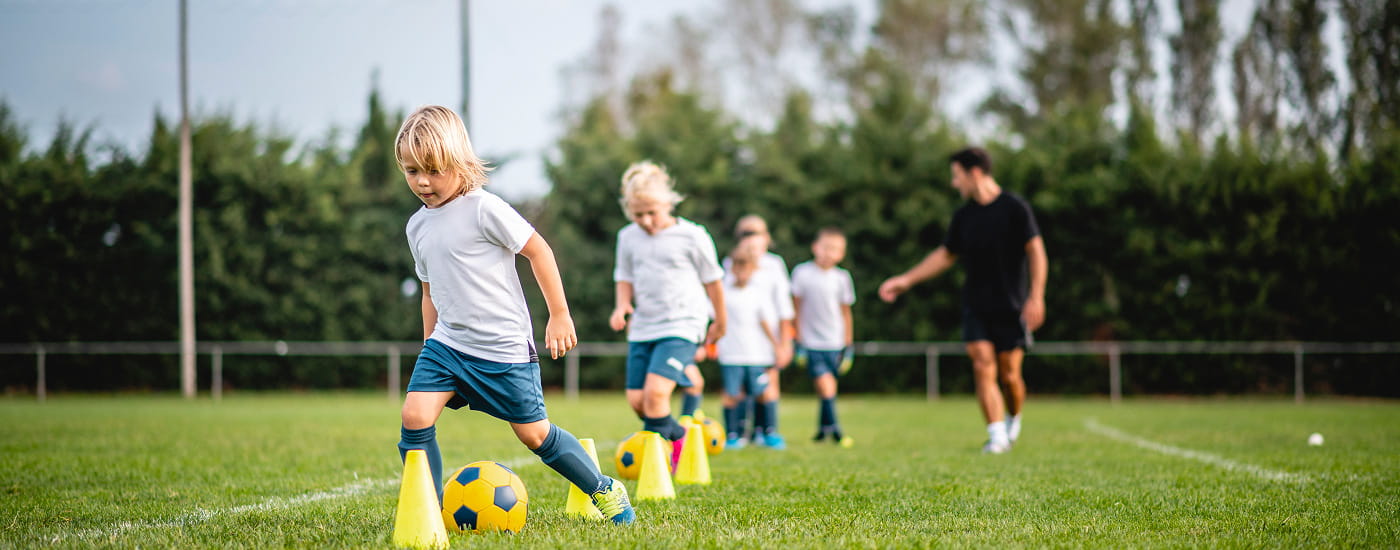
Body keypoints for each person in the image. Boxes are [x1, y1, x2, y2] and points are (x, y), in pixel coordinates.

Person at [394, 105, 635, 525]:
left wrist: (559, 315)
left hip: (502, 348)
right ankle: (429, 508)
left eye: (432, 169)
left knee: (534, 435)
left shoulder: (485, 208)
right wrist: (429, 343)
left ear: (458, 161)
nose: (423, 182)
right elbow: (429, 290)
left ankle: (603, 488)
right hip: (447, 346)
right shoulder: (417, 226)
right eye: (412, 171)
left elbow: (538, 250)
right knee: (414, 416)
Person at [877, 146, 1047, 455]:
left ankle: (1013, 417)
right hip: (976, 304)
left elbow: (1036, 251)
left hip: (1012, 305)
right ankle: (996, 436)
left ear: (975, 173)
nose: (955, 183)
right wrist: (906, 280)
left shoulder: (1015, 208)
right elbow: (945, 255)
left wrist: (1036, 296)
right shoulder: (964, 216)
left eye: (957, 176)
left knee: (1010, 374)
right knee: (982, 365)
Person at [609, 161, 726, 468]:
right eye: (638, 214)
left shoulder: (693, 235)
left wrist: (721, 321)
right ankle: (681, 440)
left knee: (656, 395)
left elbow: (713, 281)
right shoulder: (627, 237)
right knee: (638, 401)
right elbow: (624, 276)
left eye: (652, 212)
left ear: (668, 203)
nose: (646, 221)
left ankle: (664, 462)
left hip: (683, 324)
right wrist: (622, 306)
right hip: (644, 326)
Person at [726, 215, 794, 449]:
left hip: (767, 340)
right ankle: (740, 433)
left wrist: (785, 343)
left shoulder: (774, 265)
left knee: (767, 387)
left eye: (755, 232)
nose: (750, 238)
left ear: (766, 237)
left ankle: (768, 432)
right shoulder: (730, 264)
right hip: (736, 342)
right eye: (745, 233)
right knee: (739, 390)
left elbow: (784, 309)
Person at [790, 227, 856, 447]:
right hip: (811, 341)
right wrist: (797, 338)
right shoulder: (802, 273)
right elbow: (795, 307)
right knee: (826, 386)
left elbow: (846, 312)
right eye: (826, 247)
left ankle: (822, 430)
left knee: (825, 389)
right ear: (815, 247)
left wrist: (848, 343)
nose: (830, 253)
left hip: (835, 342)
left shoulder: (842, 278)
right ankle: (836, 430)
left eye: (836, 249)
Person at [715, 237, 782, 449]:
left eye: (746, 267)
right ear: (732, 268)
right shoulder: (723, 292)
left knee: (764, 391)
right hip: (732, 354)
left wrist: (777, 345)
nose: (742, 271)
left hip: (757, 354)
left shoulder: (758, 294)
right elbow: (716, 320)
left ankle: (768, 433)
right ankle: (733, 435)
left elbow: (765, 322)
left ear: (753, 269)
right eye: (738, 266)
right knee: (733, 394)